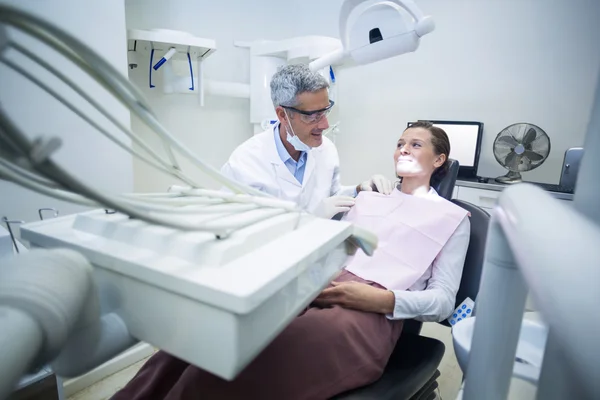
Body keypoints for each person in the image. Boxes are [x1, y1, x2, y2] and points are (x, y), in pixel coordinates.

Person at [111, 121, 471, 400]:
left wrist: (380, 300)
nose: (402, 150)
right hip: (314, 283)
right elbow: (325, 245)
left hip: (368, 311)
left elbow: (442, 302)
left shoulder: (452, 219)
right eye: (399, 143)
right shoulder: (369, 197)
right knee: (195, 342)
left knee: (235, 367)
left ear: (438, 160)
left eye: (415, 144)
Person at [220, 64, 392, 219]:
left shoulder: (326, 149)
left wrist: (358, 190)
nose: (325, 125)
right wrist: (310, 219)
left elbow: (332, 197)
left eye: (325, 112)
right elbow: (235, 228)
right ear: (283, 115)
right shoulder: (245, 163)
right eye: (312, 116)